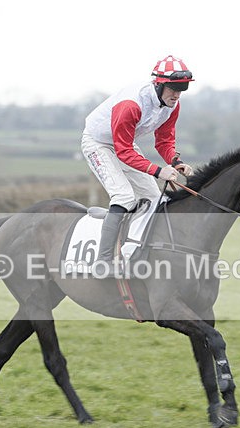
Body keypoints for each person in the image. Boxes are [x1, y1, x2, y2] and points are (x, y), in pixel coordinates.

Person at [81, 55, 195, 269]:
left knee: (153, 198)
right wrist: (158, 171)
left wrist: (175, 161)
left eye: (183, 88)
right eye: (173, 88)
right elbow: (123, 152)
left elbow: (164, 141)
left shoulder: (173, 105)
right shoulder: (131, 105)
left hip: (123, 143)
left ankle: (132, 251)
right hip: (98, 143)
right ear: (159, 84)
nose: (177, 94)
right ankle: (103, 262)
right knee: (124, 196)